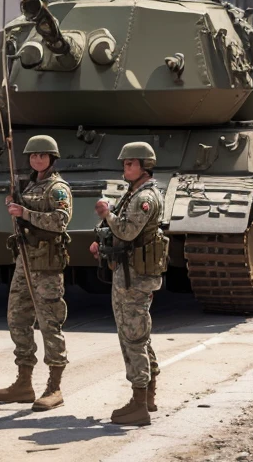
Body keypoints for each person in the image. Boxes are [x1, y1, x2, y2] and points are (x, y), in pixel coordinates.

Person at [0, 136, 72, 411]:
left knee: (50, 324)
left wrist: (25, 212)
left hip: (47, 266)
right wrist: (15, 205)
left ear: (52, 158)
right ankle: (24, 382)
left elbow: (60, 221)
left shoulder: (57, 188)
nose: (37, 159)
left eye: (43, 155)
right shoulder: (28, 184)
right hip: (24, 261)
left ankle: (54, 386)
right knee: (17, 319)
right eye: (33, 155)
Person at [91, 142, 168, 427]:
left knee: (132, 337)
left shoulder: (143, 198)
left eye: (131, 164)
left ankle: (139, 404)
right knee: (139, 333)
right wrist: (103, 240)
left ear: (145, 166)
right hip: (130, 272)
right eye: (124, 164)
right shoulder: (135, 193)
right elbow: (122, 234)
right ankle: (147, 395)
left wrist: (106, 214)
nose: (126, 168)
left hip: (133, 277)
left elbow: (127, 230)